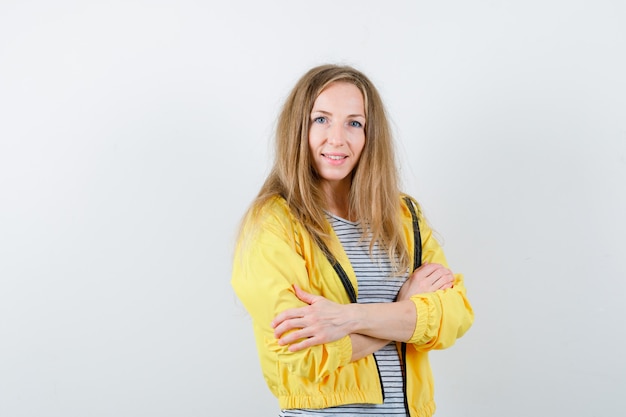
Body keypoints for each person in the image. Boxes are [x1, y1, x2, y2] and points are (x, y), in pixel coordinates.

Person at [231, 64, 474, 417]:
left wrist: (348, 318)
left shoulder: (404, 216)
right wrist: (405, 311)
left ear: (369, 135)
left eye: (354, 123)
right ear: (298, 128)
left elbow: (454, 316)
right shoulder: (272, 224)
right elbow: (303, 354)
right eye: (321, 120)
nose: (337, 139)